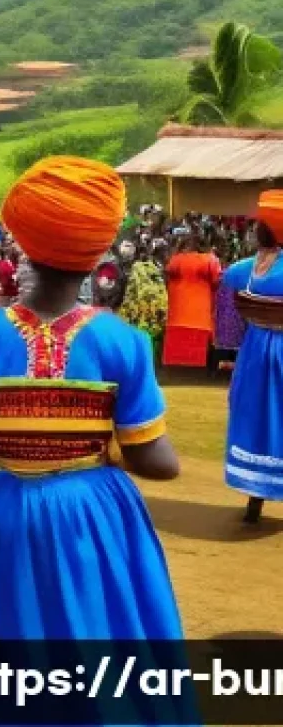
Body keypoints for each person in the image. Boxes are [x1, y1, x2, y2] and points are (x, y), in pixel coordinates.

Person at [0, 157, 184, 643]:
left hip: (8, 509)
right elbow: (156, 460)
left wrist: (12, 446)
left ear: (24, 244)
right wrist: (91, 450)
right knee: (99, 638)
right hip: (94, 508)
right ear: (100, 252)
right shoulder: (124, 341)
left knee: (14, 639)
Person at [222, 193, 283, 525]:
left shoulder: (242, 270)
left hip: (255, 352)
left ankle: (254, 503)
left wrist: (230, 349)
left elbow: (228, 323)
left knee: (256, 417)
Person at [163, 232, 221, 368]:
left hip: (176, 316)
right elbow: (217, 281)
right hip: (200, 316)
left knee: (175, 364)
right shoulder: (210, 260)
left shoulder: (176, 259)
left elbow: (167, 275)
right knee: (196, 365)